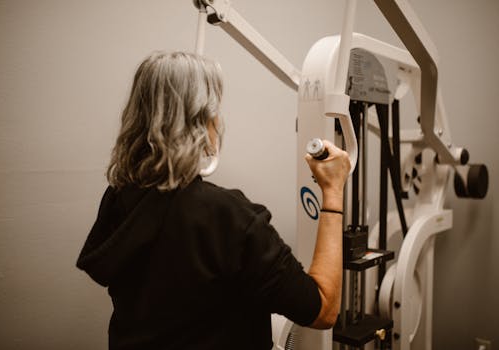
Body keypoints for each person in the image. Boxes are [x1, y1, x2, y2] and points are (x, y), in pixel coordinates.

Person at [76, 51, 350, 350]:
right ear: (200, 121)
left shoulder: (118, 198)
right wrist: (333, 189)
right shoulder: (227, 217)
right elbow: (323, 309)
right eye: (215, 110)